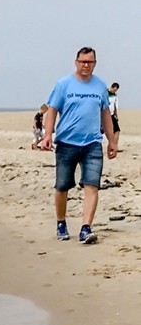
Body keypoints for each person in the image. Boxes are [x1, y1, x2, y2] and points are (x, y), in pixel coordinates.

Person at [40, 47, 117, 244]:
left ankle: (86, 228)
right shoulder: (63, 84)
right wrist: (47, 135)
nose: (86, 65)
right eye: (83, 61)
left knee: (92, 185)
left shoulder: (100, 86)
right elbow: (52, 110)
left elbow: (105, 114)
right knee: (62, 185)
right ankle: (61, 223)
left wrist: (112, 141)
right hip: (67, 143)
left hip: (92, 143)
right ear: (76, 62)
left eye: (90, 62)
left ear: (95, 64)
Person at [108, 82, 121, 151]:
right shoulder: (104, 93)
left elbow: (115, 106)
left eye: (116, 90)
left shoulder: (115, 96)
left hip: (112, 115)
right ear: (111, 87)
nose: (114, 91)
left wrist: (116, 115)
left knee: (117, 131)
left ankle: (114, 147)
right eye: (114, 89)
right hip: (104, 115)